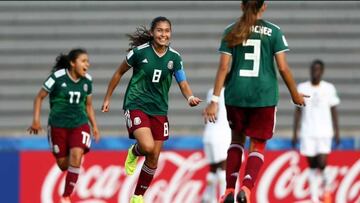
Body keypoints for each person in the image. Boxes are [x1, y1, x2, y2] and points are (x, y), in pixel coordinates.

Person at [203, 0, 308, 202]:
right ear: (264, 7)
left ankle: (229, 190)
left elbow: (223, 67)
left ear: (242, 6)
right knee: (257, 146)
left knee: (236, 141)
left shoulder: (231, 31)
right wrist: (295, 94)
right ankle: (247, 188)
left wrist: (215, 99)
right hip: (263, 96)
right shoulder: (274, 32)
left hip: (236, 94)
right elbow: (283, 68)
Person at [101, 16, 202, 203]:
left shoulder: (175, 57)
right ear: (152, 33)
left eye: (167, 31)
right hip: (136, 105)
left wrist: (190, 97)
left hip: (159, 110)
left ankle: (138, 196)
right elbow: (118, 73)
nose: (163, 34)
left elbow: (183, 82)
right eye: (159, 30)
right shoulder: (139, 53)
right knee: (147, 147)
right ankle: (134, 151)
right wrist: (107, 98)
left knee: (154, 156)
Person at [28, 48, 100, 203]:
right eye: (83, 61)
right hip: (58, 126)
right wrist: (36, 120)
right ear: (73, 63)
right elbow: (39, 98)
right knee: (63, 165)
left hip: (79, 124)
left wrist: (94, 126)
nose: (87, 64)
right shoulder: (57, 78)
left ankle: (66, 195)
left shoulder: (88, 80)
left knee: (76, 154)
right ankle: (75, 162)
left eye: (88, 61)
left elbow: (88, 106)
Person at [292, 59, 340, 203]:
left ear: (322, 71)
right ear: (310, 70)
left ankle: (326, 187)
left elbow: (334, 110)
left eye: (318, 69)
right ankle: (314, 198)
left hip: (325, 132)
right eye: (313, 69)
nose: (315, 72)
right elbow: (298, 111)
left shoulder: (329, 88)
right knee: (312, 165)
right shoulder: (302, 87)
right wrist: (295, 132)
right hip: (308, 132)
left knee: (322, 163)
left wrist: (337, 132)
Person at [202, 87, 231, 203]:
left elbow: (206, 111)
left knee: (213, 169)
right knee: (224, 168)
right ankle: (225, 198)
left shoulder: (211, 91)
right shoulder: (230, 91)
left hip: (209, 134)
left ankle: (209, 198)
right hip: (222, 134)